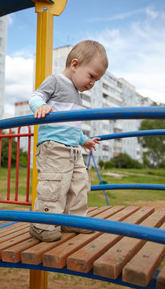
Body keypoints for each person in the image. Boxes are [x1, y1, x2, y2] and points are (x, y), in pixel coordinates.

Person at [29, 40, 108, 242]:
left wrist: (83, 140)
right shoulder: (56, 81)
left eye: (96, 80)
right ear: (75, 64)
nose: (92, 83)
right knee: (54, 186)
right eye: (91, 76)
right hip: (54, 148)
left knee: (79, 185)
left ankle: (74, 220)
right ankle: (41, 224)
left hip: (74, 149)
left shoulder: (77, 96)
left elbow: (70, 126)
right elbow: (36, 96)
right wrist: (40, 106)